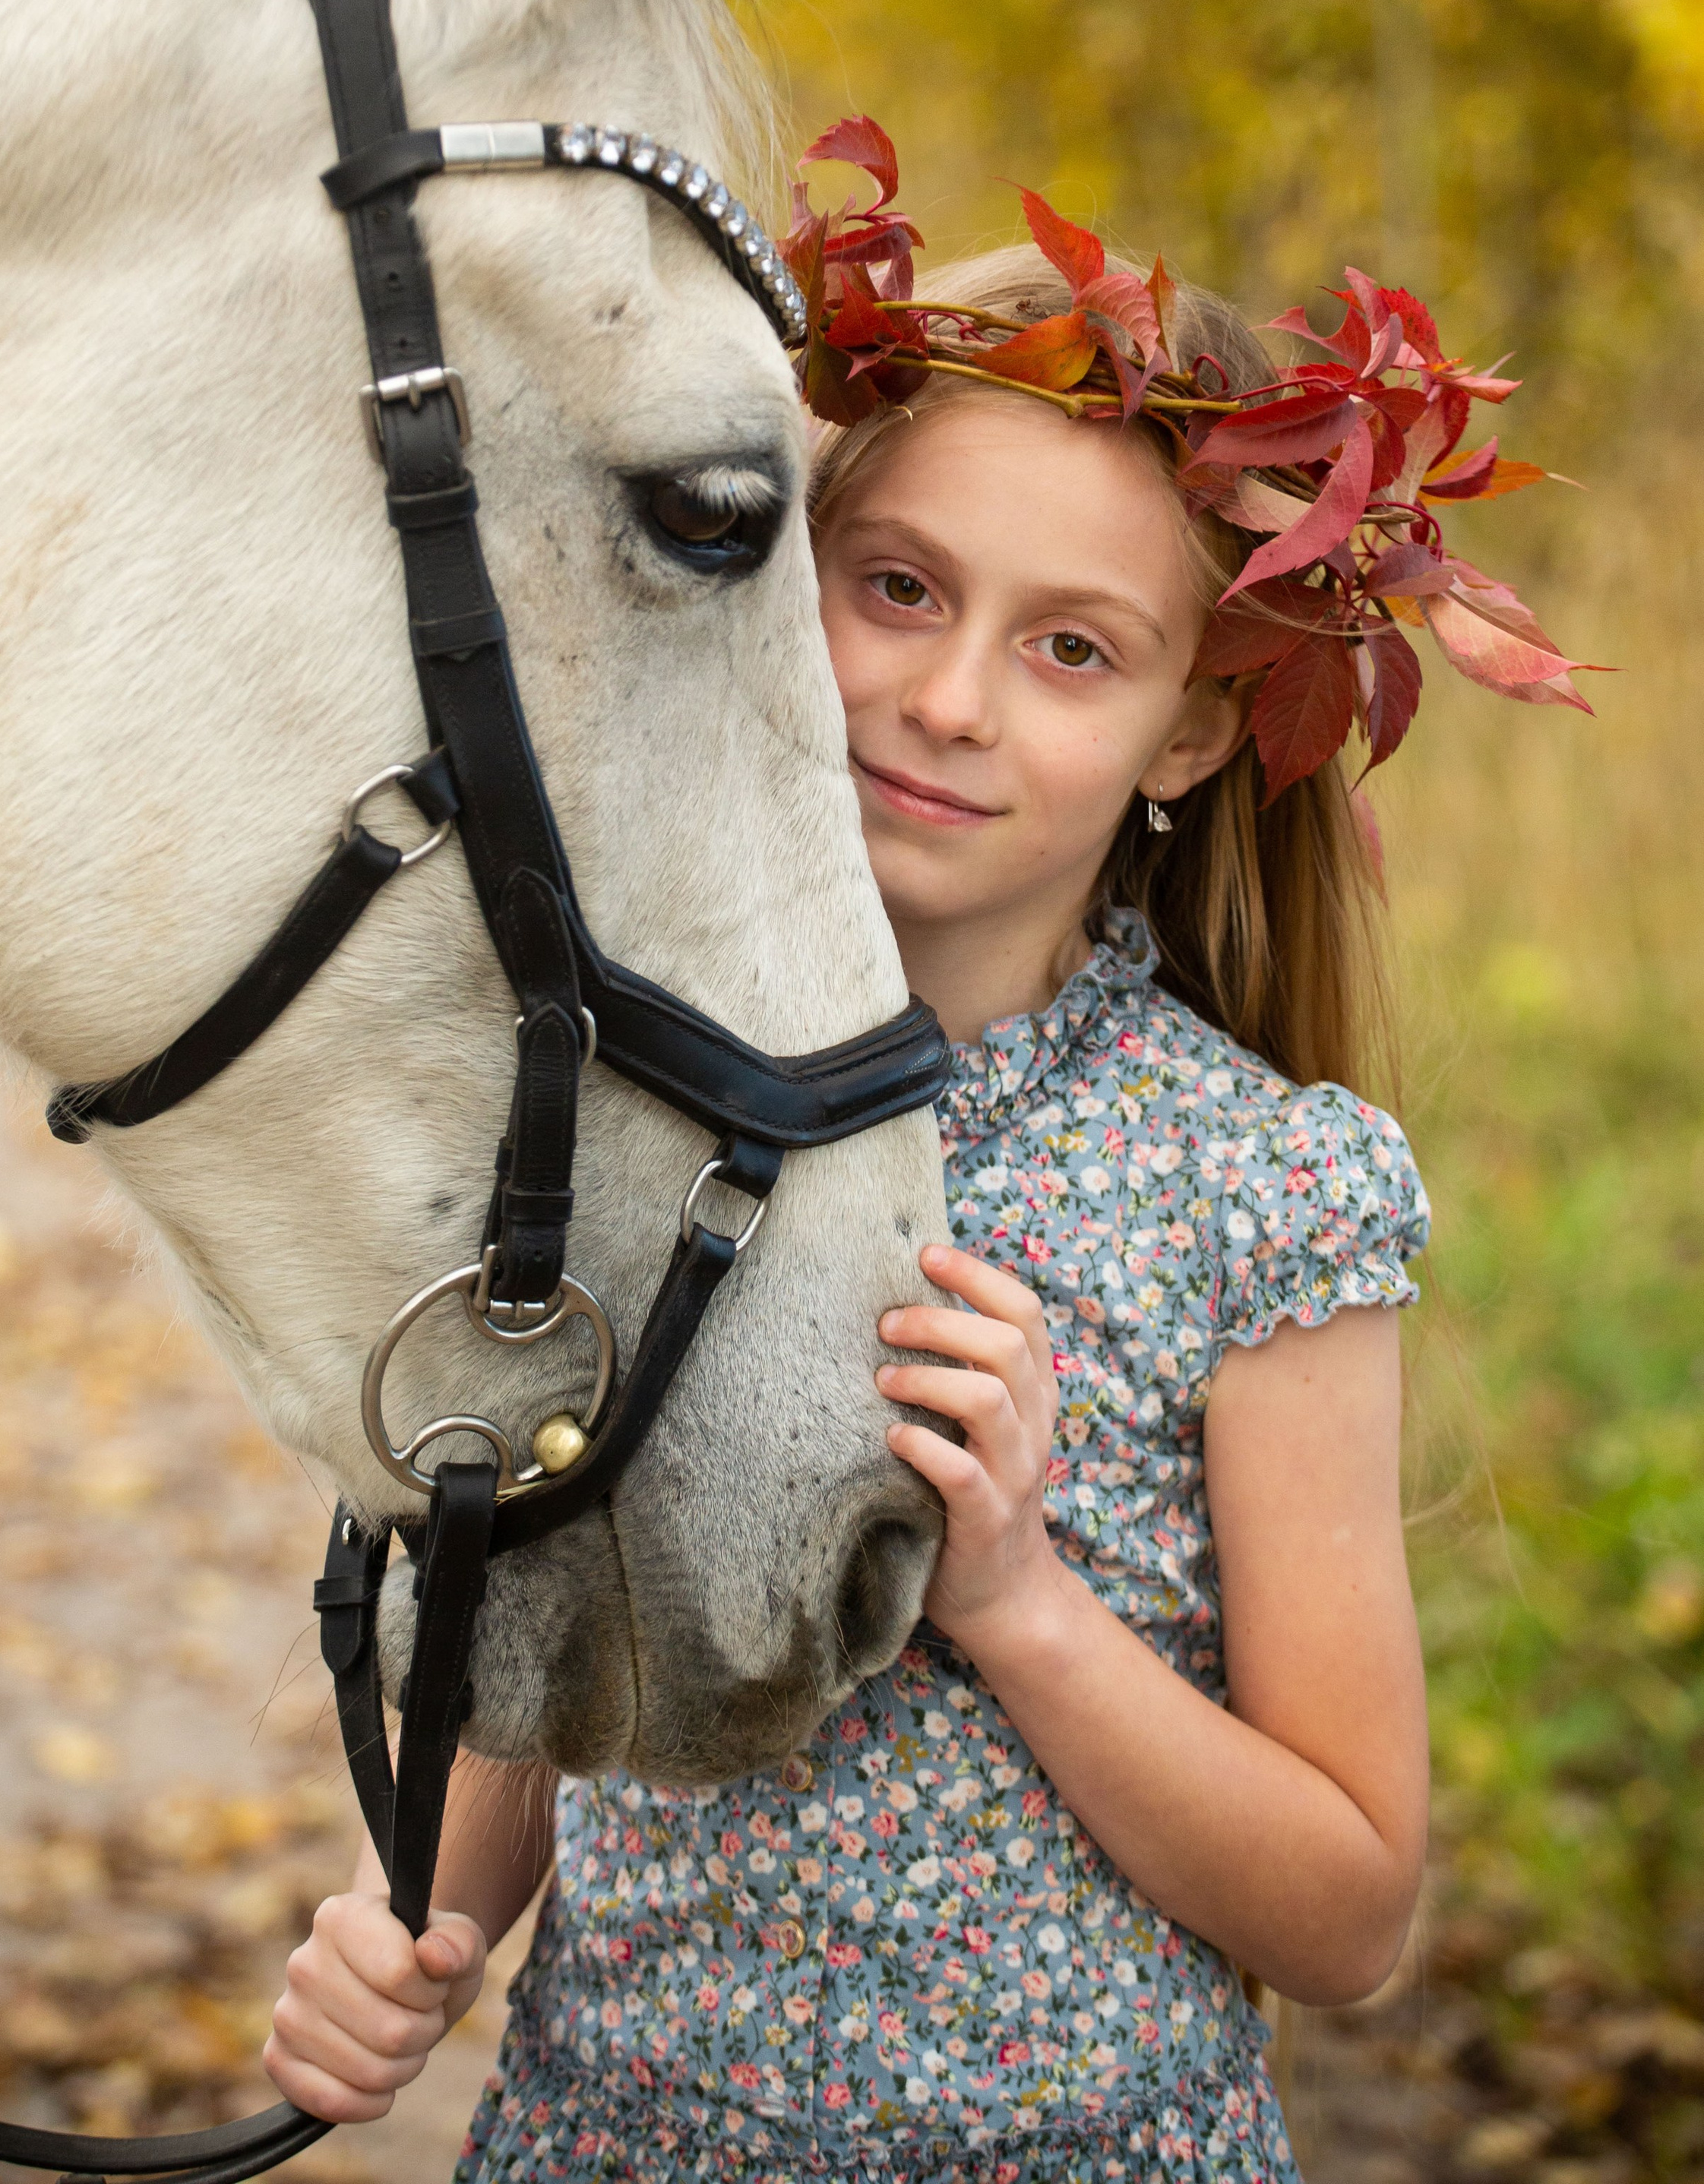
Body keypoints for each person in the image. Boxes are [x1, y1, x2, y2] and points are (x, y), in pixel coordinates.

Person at [263, 147, 1584, 2179]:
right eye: (901, 589)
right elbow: (552, 1677)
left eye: (1074, 651)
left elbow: (1351, 1911)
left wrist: (1022, 1598)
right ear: (789, 575)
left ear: (1189, 736)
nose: (950, 700)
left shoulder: (1259, 1191)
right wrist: (416, 1921)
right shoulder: (621, 1096)